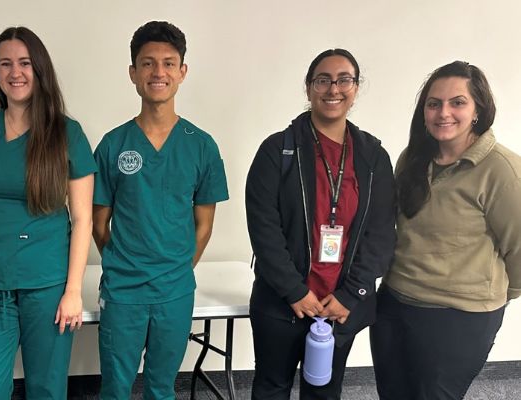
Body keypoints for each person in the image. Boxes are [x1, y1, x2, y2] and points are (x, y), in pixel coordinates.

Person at [245, 49, 395, 399]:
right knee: (271, 387)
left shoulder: (373, 156)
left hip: (340, 305)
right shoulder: (277, 150)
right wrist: (294, 290)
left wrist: (350, 294)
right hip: (281, 302)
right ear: (308, 87)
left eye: (344, 79)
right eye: (323, 80)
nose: (333, 89)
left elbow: (381, 233)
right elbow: (264, 229)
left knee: (324, 389)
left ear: (356, 88)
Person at [92, 21, 229, 400]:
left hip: (175, 289)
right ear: (133, 73)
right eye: (148, 63)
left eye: (169, 63)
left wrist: (177, 268)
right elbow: (98, 222)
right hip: (123, 291)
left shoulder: (201, 145)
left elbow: (204, 225)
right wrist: (124, 263)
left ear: (183, 72)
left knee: (161, 387)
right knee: (115, 388)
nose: (159, 72)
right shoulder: (113, 144)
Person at [0, 26, 95, 399]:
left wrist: (72, 291)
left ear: (40, 69)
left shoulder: (68, 133)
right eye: (5, 64)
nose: (14, 73)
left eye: (24, 63)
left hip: (48, 287)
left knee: (47, 389)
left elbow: (83, 219)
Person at [370, 61, 521, 399]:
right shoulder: (411, 158)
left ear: (478, 109)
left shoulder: (502, 170)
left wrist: (490, 295)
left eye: (458, 102)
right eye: (434, 103)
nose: (443, 112)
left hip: (458, 317)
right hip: (395, 304)